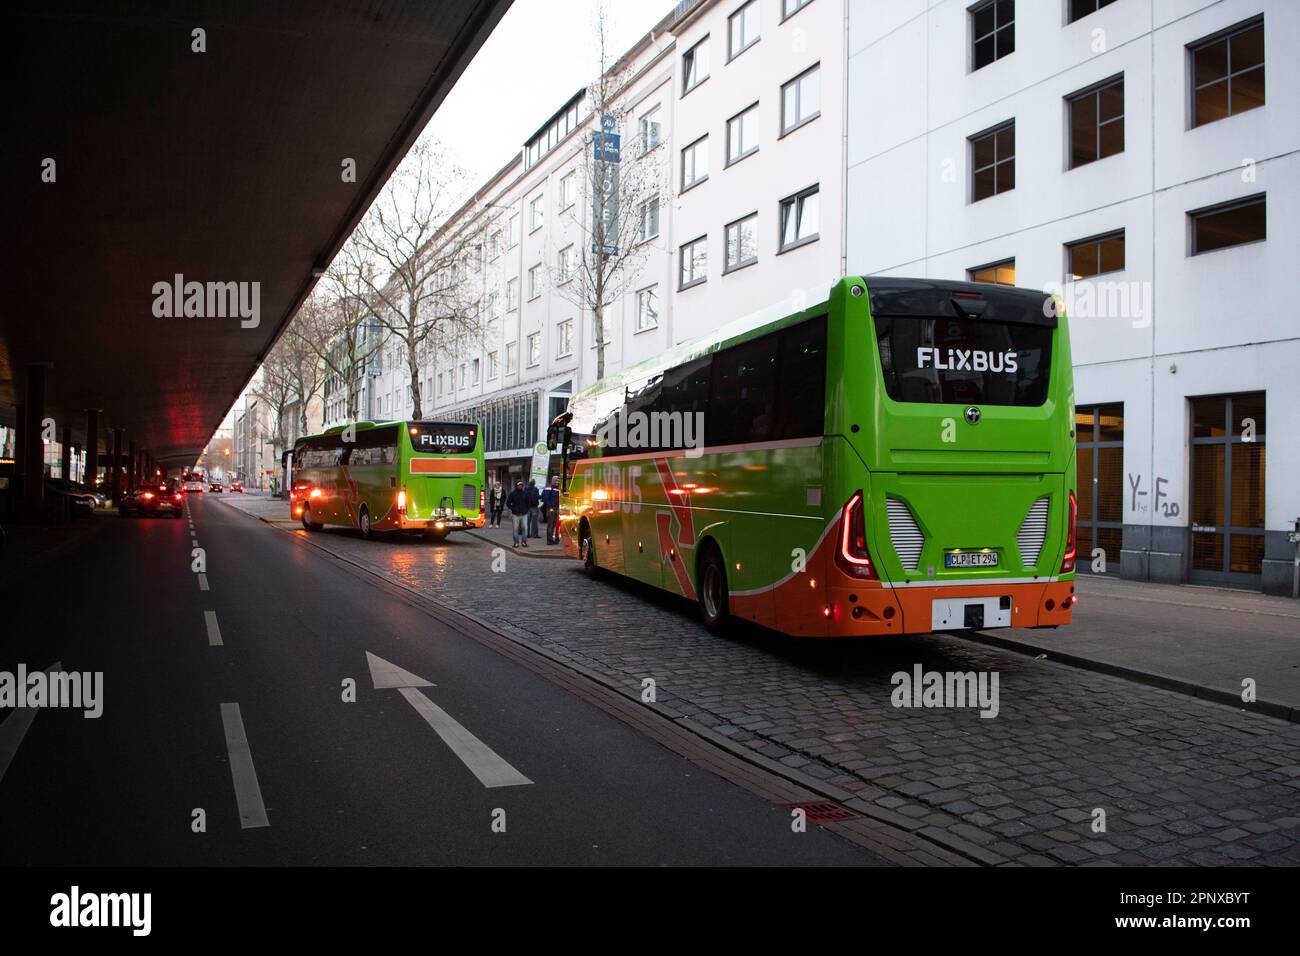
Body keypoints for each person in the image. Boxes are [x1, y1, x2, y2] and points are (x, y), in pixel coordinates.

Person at [506, 480, 529, 547]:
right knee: (515, 529)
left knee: (525, 528)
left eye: (521, 485)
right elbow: (508, 503)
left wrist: (526, 510)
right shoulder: (512, 494)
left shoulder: (525, 493)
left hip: (524, 514)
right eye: (519, 485)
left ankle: (524, 542)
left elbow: (528, 503)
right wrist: (514, 509)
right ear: (516, 486)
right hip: (515, 515)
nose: (520, 486)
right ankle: (516, 543)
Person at [542, 475, 561, 545]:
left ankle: (552, 539)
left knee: (554, 525)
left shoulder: (559, 489)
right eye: (556, 480)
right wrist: (550, 507)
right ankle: (549, 540)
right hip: (551, 509)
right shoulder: (548, 488)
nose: (558, 482)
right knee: (550, 524)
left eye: (558, 481)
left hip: (557, 508)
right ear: (553, 480)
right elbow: (545, 498)